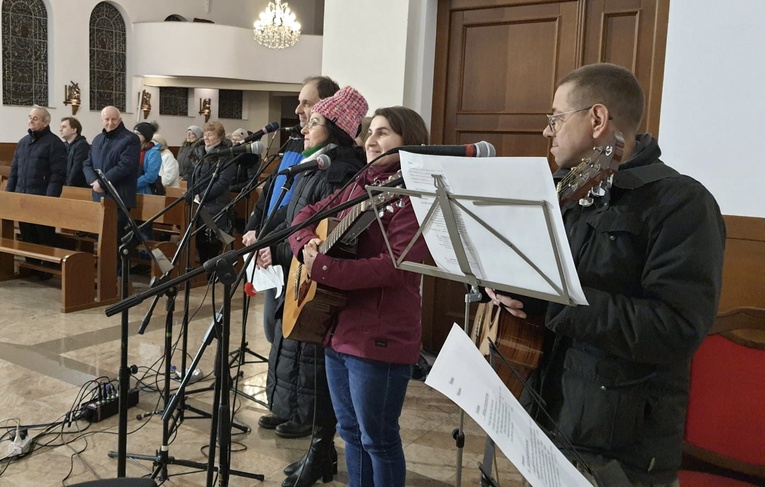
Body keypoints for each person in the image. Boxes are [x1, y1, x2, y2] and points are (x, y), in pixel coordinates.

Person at [487, 63, 725, 486]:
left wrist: (556, 302)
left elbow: (677, 328)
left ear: (596, 119)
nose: (548, 132)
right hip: (547, 412)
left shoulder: (681, 203)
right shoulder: (564, 191)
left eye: (555, 119)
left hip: (619, 446)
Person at [287, 106, 431, 487]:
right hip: (339, 328)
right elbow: (305, 214)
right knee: (350, 433)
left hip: (380, 336)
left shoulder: (415, 195)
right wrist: (305, 247)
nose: (370, 140)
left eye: (383, 133)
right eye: (369, 132)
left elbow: (394, 267)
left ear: (410, 142)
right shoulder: (360, 183)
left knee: (378, 440)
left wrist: (324, 269)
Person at [255, 86, 369, 486]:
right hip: (295, 273)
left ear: (336, 129)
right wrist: (270, 245)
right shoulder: (316, 164)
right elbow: (292, 218)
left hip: (316, 284)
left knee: (318, 373)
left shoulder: (340, 172)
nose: (306, 126)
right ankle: (319, 450)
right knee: (299, 360)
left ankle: (321, 448)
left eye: (316, 121)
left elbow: (326, 234)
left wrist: (283, 253)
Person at [243, 76, 341, 345]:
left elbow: (296, 210)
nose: (298, 110)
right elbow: (273, 192)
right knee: (271, 329)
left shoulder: (326, 159)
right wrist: (254, 226)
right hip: (271, 247)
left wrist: (269, 241)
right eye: (299, 103)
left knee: (282, 332)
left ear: (326, 108)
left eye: (306, 104)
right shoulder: (296, 143)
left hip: (290, 253)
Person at [6, 106, 67, 277]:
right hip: (23, 196)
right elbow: (15, 171)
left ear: (46, 122)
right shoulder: (23, 142)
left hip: (41, 196)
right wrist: (9, 194)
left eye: (35, 118)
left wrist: (49, 199)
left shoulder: (54, 143)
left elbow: (58, 174)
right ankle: (31, 266)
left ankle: (47, 269)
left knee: (44, 234)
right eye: (30, 117)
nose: (31, 121)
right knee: (27, 234)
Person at [82, 106, 140, 251]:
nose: (110, 123)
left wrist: (102, 182)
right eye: (107, 119)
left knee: (117, 239)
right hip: (99, 195)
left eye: (114, 119)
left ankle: (118, 271)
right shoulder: (97, 139)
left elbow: (125, 166)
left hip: (119, 196)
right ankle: (104, 270)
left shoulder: (130, 139)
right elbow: (87, 163)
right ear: (102, 121)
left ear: (120, 120)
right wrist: (93, 181)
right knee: (102, 236)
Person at [188, 121, 237, 265]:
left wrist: (202, 195)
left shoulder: (226, 155)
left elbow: (222, 182)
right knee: (199, 238)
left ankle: (213, 269)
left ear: (220, 137)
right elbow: (192, 175)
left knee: (212, 239)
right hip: (198, 202)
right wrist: (192, 194)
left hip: (215, 203)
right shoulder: (199, 153)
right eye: (205, 134)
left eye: (210, 135)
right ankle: (204, 268)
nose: (206, 138)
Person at [60, 116, 90, 188]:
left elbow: (77, 169)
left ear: (74, 130)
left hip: (76, 187)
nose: (60, 129)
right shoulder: (63, 145)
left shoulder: (82, 145)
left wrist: (68, 186)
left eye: (64, 127)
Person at [133, 122, 161, 195]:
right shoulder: (133, 149)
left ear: (146, 136)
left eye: (138, 134)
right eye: (134, 133)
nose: (134, 136)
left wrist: (133, 184)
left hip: (144, 190)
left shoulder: (154, 153)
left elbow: (151, 176)